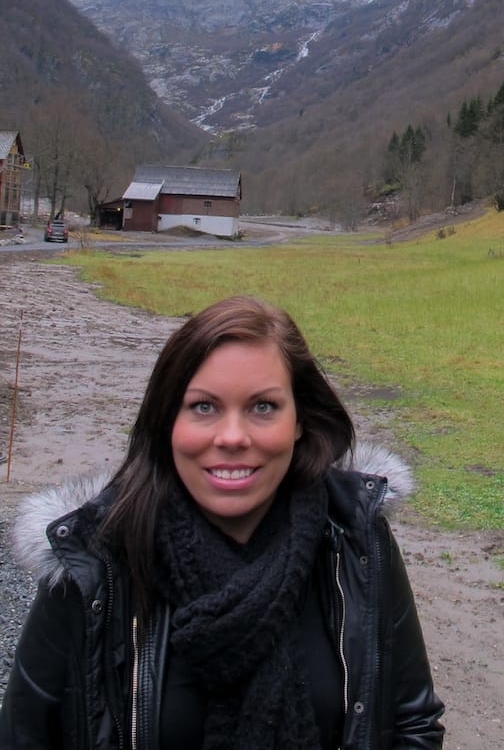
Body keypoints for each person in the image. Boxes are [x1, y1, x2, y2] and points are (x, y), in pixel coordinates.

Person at [0, 295, 445, 749]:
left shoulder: (355, 539)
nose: (232, 437)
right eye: (204, 407)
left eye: (263, 407)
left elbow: (413, 723)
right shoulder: (95, 562)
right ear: (167, 419)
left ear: (300, 420)